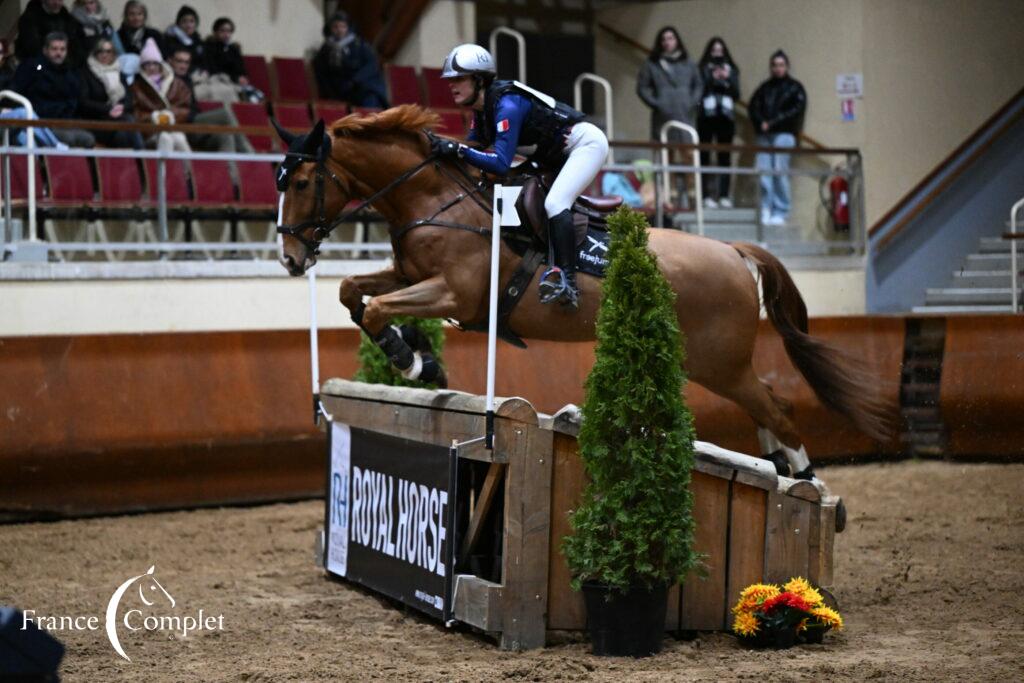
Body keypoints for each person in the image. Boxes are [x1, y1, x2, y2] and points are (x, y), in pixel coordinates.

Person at [433, 44, 608, 310]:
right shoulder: (482, 111)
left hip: (584, 146)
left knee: (555, 203)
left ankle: (567, 281)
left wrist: (458, 150)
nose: (451, 85)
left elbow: (501, 163)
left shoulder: (507, 105)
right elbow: (473, 149)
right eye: (450, 80)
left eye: (458, 79)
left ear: (478, 79)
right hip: (552, 156)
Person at [636, 27, 701, 208]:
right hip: (662, 117)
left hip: (685, 115)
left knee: (689, 155)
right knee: (666, 156)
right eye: (664, 39)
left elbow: (699, 86)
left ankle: (693, 194)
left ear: (677, 40)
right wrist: (657, 103)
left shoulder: (689, 63)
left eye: (671, 38)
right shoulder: (652, 63)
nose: (667, 42)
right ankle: (670, 196)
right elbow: (642, 88)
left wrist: (692, 102)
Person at [749, 49, 806, 225]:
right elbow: (753, 107)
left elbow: (796, 110)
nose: (777, 68)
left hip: (784, 134)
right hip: (765, 135)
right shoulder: (764, 88)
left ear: (787, 66)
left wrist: (773, 122)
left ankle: (781, 210)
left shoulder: (795, 87)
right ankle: (766, 207)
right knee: (764, 171)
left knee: (779, 171)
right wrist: (761, 123)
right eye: (774, 65)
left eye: (781, 65)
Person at [12, 32, 95, 148]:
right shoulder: (33, 68)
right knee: (69, 138)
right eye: (54, 49)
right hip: (41, 122)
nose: (58, 53)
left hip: (66, 122)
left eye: (62, 49)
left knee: (88, 138)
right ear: (45, 50)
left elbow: (75, 100)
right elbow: (19, 93)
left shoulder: (70, 71)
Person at [169, 47, 252, 154]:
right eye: (179, 61)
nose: (183, 65)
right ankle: (248, 153)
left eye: (186, 62)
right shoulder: (168, 80)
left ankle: (230, 170)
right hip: (183, 125)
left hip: (194, 123)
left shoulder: (187, 79)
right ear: (170, 61)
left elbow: (192, 106)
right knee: (225, 113)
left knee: (226, 135)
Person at [696, 37, 740, 209]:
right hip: (706, 117)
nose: (717, 54)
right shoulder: (702, 69)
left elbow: (737, 94)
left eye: (720, 50)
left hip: (726, 117)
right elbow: (697, 93)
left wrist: (727, 80)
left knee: (724, 157)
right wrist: (711, 79)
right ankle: (705, 195)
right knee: (704, 156)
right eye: (714, 50)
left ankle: (723, 195)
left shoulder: (732, 70)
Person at [77, 38, 143, 149]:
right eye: (101, 51)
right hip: (97, 121)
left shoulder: (119, 72)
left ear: (113, 54)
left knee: (122, 134)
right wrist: (109, 109)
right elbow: (84, 102)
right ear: (95, 54)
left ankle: (131, 163)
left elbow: (129, 98)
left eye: (108, 51)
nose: (104, 55)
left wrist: (121, 107)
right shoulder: (86, 74)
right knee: (128, 122)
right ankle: (143, 157)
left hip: (120, 119)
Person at [313, 12, 388, 108]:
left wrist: (355, 80)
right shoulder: (326, 49)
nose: (339, 30)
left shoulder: (359, 45)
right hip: (338, 89)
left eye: (342, 26)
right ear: (330, 29)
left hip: (361, 85)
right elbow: (321, 70)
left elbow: (371, 65)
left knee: (370, 98)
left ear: (348, 28)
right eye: (335, 27)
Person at [131, 38, 190, 151]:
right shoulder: (136, 87)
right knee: (165, 138)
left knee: (180, 138)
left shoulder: (177, 83)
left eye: (155, 63)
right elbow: (134, 112)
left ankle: (189, 169)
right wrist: (154, 117)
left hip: (173, 127)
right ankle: (163, 169)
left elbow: (185, 107)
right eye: (147, 64)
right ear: (142, 66)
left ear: (160, 64)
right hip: (149, 131)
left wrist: (170, 115)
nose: (152, 67)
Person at [15, 0, 88, 68]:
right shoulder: (29, 19)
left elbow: (78, 45)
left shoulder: (68, 19)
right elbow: (33, 49)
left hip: (67, 67)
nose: (57, 3)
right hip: (38, 67)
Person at [163, 5, 203, 73]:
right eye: (184, 21)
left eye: (192, 21)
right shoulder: (169, 40)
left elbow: (202, 62)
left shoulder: (198, 42)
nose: (188, 25)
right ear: (178, 23)